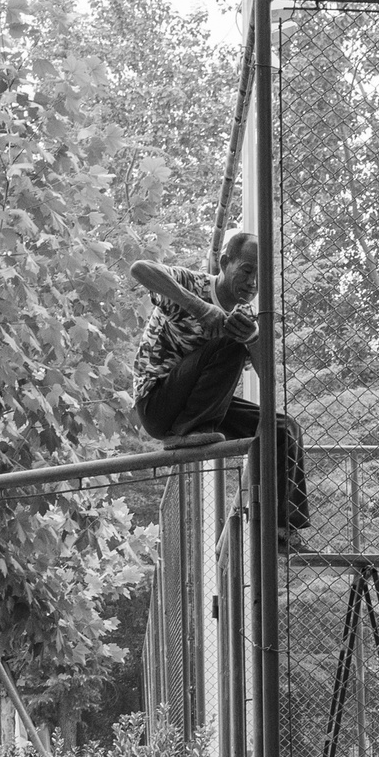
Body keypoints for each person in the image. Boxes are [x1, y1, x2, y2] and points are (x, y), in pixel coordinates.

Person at [130, 231, 312, 552]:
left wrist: (254, 337)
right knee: (230, 336)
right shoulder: (194, 284)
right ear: (225, 263)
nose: (253, 282)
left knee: (284, 429)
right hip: (157, 403)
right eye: (246, 270)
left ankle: (284, 530)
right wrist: (200, 308)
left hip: (202, 406)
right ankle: (186, 430)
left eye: (260, 275)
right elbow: (140, 268)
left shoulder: (250, 317)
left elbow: (269, 379)